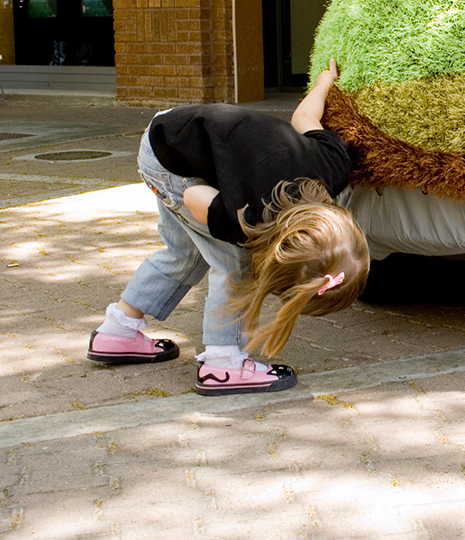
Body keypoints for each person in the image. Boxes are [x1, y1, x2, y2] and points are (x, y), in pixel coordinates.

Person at [87, 64, 370, 395]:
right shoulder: (242, 217)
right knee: (235, 264)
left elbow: (304, 118)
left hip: (176, 131)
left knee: (184, 252)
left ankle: (117, 332)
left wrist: (324, 82)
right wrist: (220, 216)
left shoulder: (332, 167)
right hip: (172, 165)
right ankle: (223, 364)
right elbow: (193, 197)